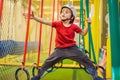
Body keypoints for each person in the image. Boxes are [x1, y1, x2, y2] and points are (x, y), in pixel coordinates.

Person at [23, 4, 104, 80]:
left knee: (86, 60)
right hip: (59, 50)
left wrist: (88, 25)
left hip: (72, 49)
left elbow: (83, 33)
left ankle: (95, 76)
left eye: (66, 12)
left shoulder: (74, 26)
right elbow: (45, 21)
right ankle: (38, 76)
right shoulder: (57, 24)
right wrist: (34, 17)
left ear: (72, 17)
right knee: (47, 62)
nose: (63, 13)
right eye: (62, 12)